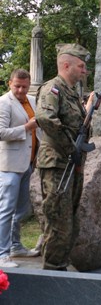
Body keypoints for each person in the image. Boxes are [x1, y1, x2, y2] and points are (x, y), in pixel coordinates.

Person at [35, 43, 98, 271]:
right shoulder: (53, 89)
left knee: (70, 218)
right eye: (81, 66)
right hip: (57, 165)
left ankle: (62, 265)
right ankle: (53, 270)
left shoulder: (72, 93)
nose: (84, 71)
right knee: (58, 221)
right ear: (66, 65)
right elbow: (46, 119)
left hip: (72, 164)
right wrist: (71, 148)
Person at [0, 69, 41, 268]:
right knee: (6, 210)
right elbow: (1, 132)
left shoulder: (32, 100)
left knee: (21, 210)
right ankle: (2, 253)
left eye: (24, 86)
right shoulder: (3, 102)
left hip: (28, 163)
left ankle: (16, 245)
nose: (21, 90)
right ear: (10, 83)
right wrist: (27, 128)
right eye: (17, 86)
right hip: (9, 165)